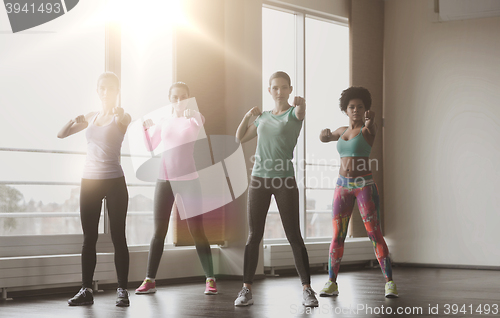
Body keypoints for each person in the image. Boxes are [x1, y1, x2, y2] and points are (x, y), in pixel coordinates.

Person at [233, 71, 318, 307]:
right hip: (259, 179)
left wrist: (302, 104)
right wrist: (248, 116)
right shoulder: (262, 118)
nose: (279, 91)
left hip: (284, 180)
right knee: (253, 236)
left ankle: (307, 289)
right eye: (274, 88)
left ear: (289, 89)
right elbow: (239, 137)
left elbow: (300, 112)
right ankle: (246, 290)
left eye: (283, 87)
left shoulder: (294, 114)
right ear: (269, 90)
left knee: (294, 236)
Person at [134, 82, 217, 295]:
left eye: (183, 97)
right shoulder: (164, 122)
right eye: (175, 97)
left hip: (189, 181)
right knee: (158, 233)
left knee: (197, 231)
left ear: (189, 98)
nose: (179, 101)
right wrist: (146, 128)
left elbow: (200, 123)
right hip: (164, 180)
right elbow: (151, 146)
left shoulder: (194, 119)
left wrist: (194, 112)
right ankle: (150, 280)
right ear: (170, 99)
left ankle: (210, 279)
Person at [58, 72, 132, 307]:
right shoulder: (90, 116)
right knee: (89, 237)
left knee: (118, 237)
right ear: (97, 90)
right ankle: (86, 290)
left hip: (114, 181)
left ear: (117, 91)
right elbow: (61, 134)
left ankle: (122, 290)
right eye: (102, 88)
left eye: (110, 88)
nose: (105, 92)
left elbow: (126, 119)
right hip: (89, 181)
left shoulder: (121, 116)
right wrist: (73, 120)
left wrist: (121, 114)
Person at [318, 86, 398, 298]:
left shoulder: (367, 130)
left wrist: (371, 120)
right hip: (342, 187)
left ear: (365, 109)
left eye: (360, 107)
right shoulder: (342, 131)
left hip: (364, 187)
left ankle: (390, 282)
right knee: (338, 236)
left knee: (375, 234)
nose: (355, 110)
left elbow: (372, 126)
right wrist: (323, 134)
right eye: (351, 107)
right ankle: (331, 283)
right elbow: (325, 138)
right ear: (345, 109)